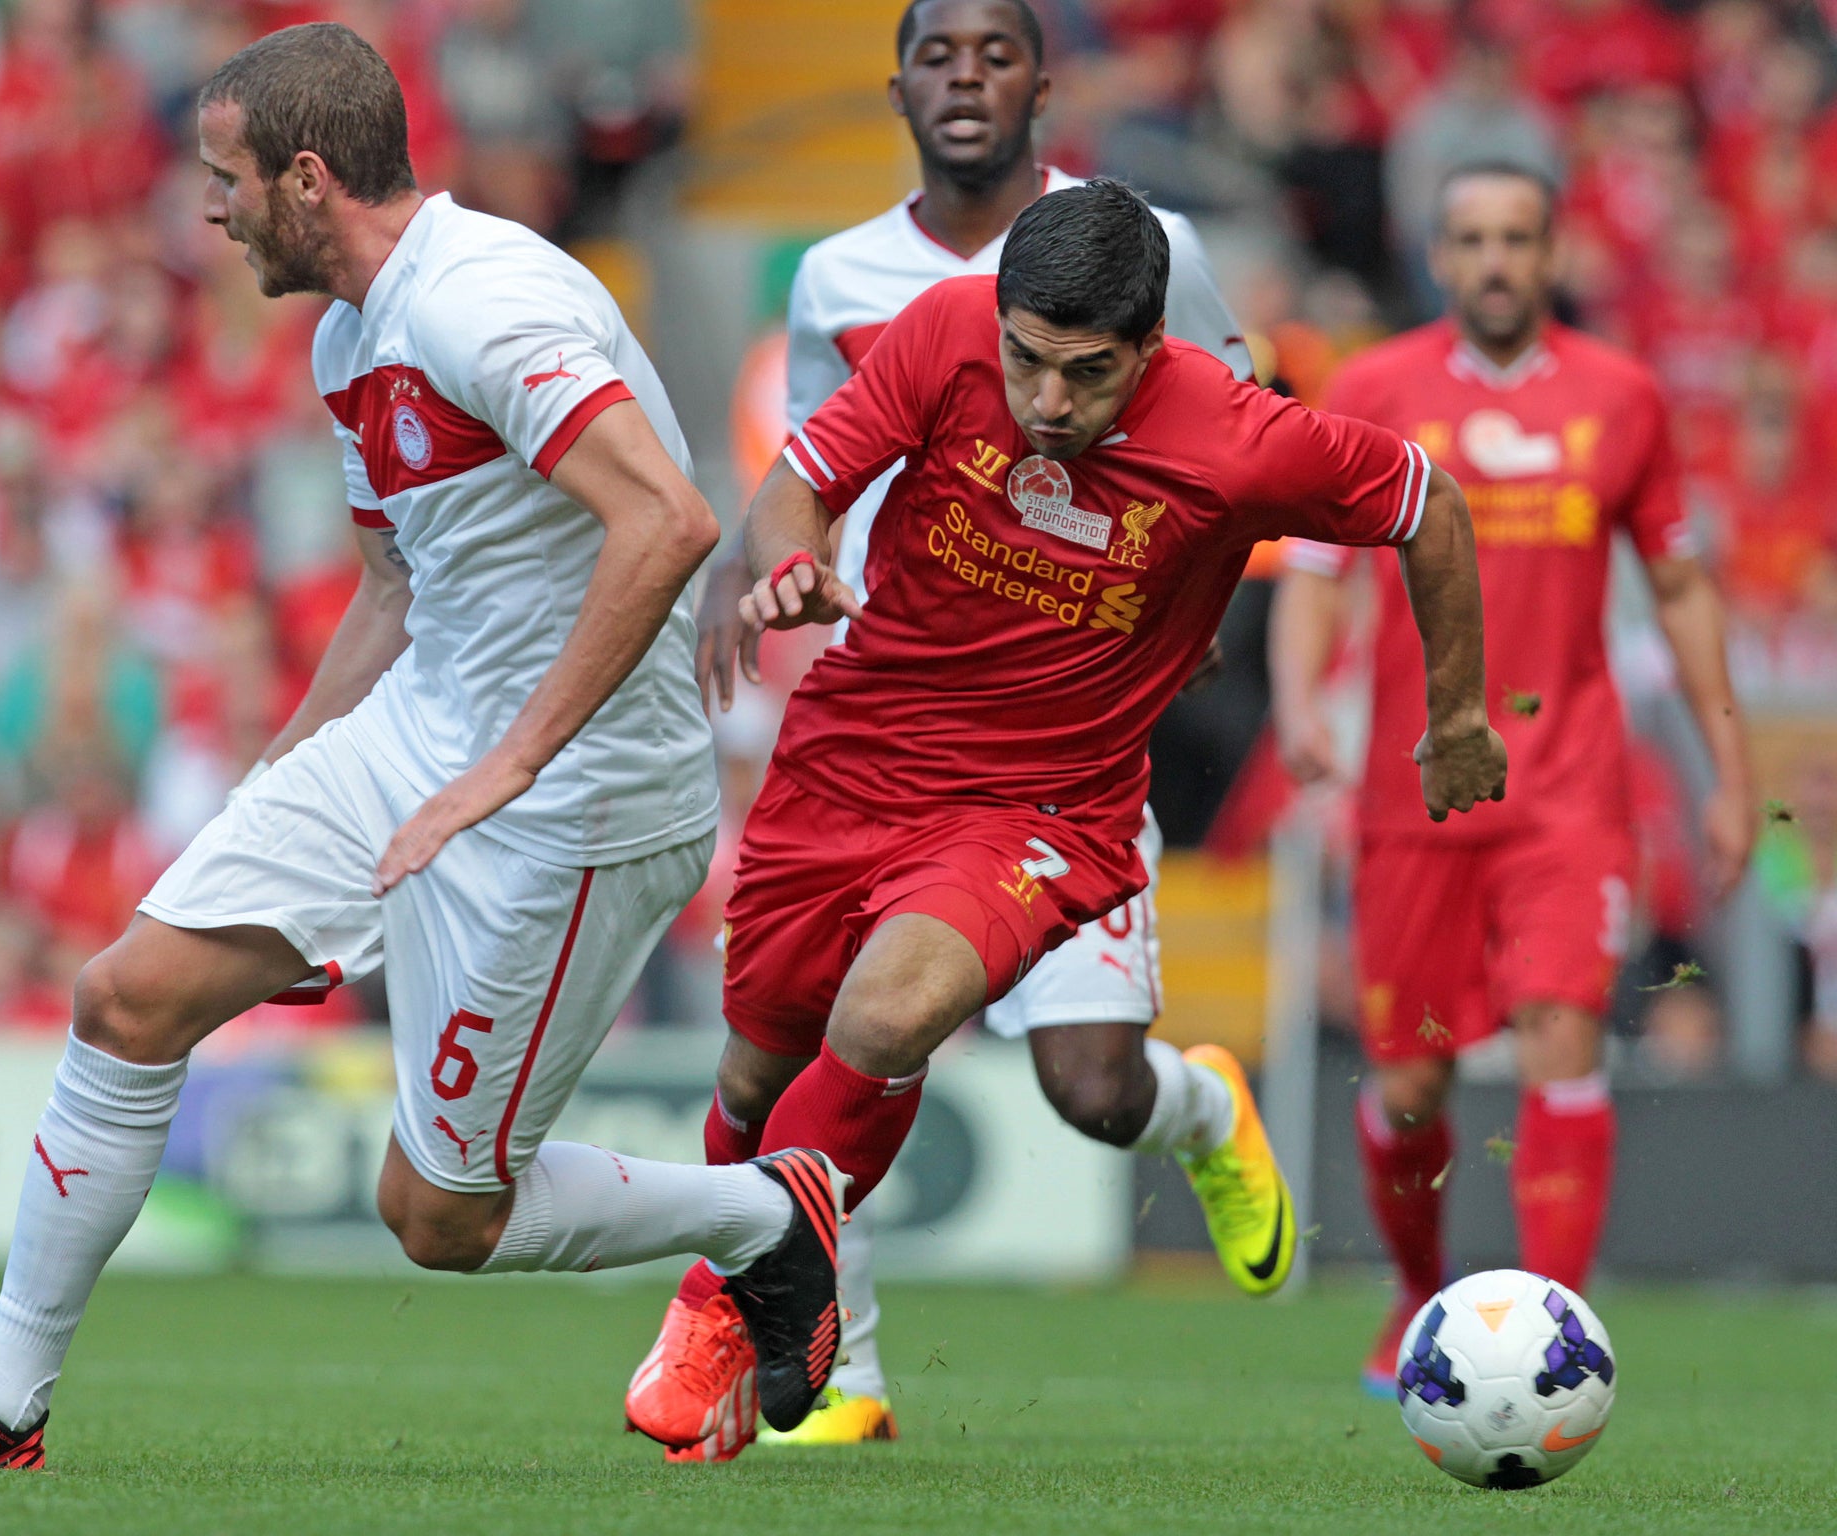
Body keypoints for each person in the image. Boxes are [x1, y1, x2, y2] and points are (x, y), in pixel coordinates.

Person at [0, 23, 849, 1472]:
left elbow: (668, 521)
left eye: (224, 180)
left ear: (305, 177)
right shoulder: (351, 331)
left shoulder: (482, 304)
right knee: (126, 997)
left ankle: (771, 1219)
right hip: (424, 734)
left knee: (440, 1219)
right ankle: (1, 1403)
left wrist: (507, 770)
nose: (207, 211)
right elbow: (398, 586)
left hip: (581, 797)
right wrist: (279, 782)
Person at [625, 176, 1509, 1463]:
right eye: (1025, 361)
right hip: (850, 764)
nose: (1046, 402)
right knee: (755, 1078)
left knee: (889, 1018)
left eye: (1084, 374)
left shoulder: (1239, 436)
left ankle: (714, 1314)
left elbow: (1428, 503)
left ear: (1150, 347)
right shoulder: (936, 332)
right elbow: (795, 486)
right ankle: (778, 1296)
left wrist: (1460, 713)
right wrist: (789, 563)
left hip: (1038, 804)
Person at [696, 0, 1255, 1449]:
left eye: (994, 54)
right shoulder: (838, 276)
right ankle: (845, 1376)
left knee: (1089, 1085)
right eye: (938, 56)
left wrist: (1179, 616)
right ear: (896, 88)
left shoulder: (1152, 247)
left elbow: (1238, 432)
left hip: (1068, 718)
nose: (965, 79)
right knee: (840, 1034)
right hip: (898, 705)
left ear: (1042, 84)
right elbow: (810, 467)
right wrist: (790, 571)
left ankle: (1198, 1113)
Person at [1267, 163, 1754, 1396]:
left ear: (1551, 255)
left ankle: (1556, 1336)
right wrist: (1296, 705)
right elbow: (1316, 578)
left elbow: (1683, 586)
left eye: (1516, 238)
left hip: (1569, 789)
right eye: (1470, 237)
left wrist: (1728, 769)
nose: (1493, 260)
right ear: (1436, 253)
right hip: (1414, 794)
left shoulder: (1623, 398)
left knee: (1557, 1029)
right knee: (1411, 1081)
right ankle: (1410, 1295)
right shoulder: (1374, 390)